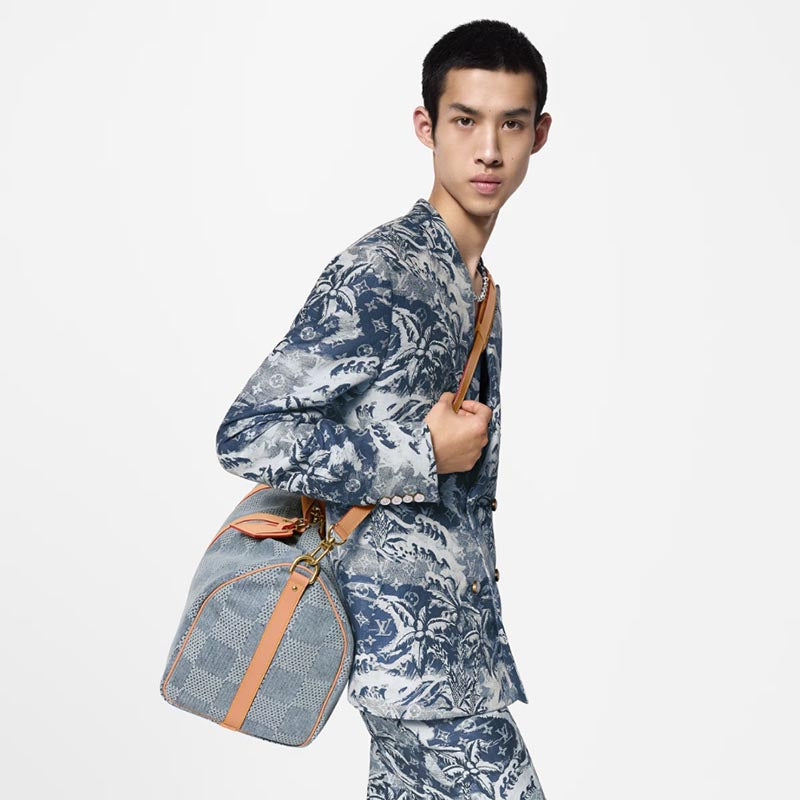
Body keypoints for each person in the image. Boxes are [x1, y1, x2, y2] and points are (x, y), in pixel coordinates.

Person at [216, 17, 552, 799]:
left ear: (539, 135)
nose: (489, 150)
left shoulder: (479, 289)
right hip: (409, 667)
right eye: (465, 121)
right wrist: (421, 453)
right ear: (426, 127)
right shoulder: (381, 272)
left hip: (458, 656)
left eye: (510, 124)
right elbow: (248, 433)